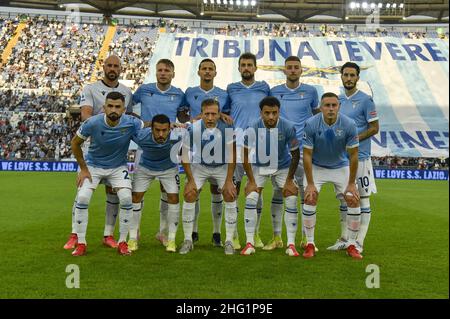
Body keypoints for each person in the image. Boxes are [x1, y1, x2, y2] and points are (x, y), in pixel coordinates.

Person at [63, 55, 133, 251]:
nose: (112, 69)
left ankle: (109, 235)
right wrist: (104, 124)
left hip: (116, 153)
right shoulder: (91, 88)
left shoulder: (127, 92)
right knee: (81, 194)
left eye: (116, 66)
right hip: (92, 147)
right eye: (109, 65)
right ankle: (75, 234)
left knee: (113, 193)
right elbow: (85, 114)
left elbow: (128, 118)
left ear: (121, 69)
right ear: (104, 67)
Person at [70, 92, 144, 256]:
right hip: (93, 166)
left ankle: (122, 242)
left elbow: (146, 130)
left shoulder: (131, 123)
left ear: (124, 109)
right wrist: (83, 169)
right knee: (82, 198)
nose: (113, 110)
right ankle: (81, 243)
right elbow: (75, 143)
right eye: (110, 106)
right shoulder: (93, 122)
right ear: (104, 107)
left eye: (118, 107)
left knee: (126, 198)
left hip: (118, 167)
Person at [132, 58, 188, 247]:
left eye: (166, 70)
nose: (163, 73)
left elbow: (183, 115)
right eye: (160, 70)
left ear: (173, 74)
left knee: (168, 192)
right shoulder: (144, 89)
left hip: (169, 146)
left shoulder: (179, 94)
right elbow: (129, 108)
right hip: (146, 145)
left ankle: (163, 232)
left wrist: (181, 123)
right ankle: (135, 231)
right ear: (156, 72)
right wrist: (142, 123)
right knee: (138, 193)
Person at [302, 92, 363, 259]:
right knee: (310, 196)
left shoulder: (349, 124)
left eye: (334, 105)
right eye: (327, 105)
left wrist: (351, 183)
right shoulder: (311, 123)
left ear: (339, 107)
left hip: (340, 166)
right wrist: (310, 183)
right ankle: (310, 243)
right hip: (317, 166)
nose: (330, 109)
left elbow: (354, 155)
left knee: (353, 198)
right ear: (321, 108)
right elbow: (306, 155)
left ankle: (351, 244)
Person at [268, 56, 319, 251]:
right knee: (279, 191)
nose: (292, 70)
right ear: (284, 70)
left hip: (303, 148)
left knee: (305, 191)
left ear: (301, 70)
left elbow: (316, 117)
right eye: (289, 68)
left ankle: (306, 238)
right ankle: (277, 237)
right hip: (280, 149)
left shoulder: (311, 91)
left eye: (296, 68)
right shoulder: (275, 92)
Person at [327, 62, 379, 253]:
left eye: (352, 75)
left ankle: (359, 242)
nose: (348, 78)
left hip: (361, 157)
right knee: (343, 199)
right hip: (341, 159)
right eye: (346, 75)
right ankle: (345, 238)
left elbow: (374, 128)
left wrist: (354, 139)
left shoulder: (366, 100)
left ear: (358, 78)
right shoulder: (338, 100)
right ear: (341, 77)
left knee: (363, 199)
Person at [240, 96, 301, 256]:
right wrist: (251, 180)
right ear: (261, 113)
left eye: (274, 113)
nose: (271, 117)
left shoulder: (288, 126)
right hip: (260, 167)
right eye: (267, 113)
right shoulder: (252, 127)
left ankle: (291, 244)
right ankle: (249, 243)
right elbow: (244, 155)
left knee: (292, 197)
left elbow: (295, 155)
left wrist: (289, 180)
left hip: (282, 167)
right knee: (251, 197)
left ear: (279, 111)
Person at [179, 98, 238, 255]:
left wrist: (229, 181)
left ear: (220, 114)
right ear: (201, 114)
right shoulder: (194, 129)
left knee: (230, 194)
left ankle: (229, 241)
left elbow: (233, 153)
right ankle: (187, 240)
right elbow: (184, 154)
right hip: (200, 166)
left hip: (222, 166)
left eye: (214, 114)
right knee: (189, 193)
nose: (210, 118)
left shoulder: (227, 126)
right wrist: (190, 180)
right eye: (207, 114)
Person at [225, 52, 270, 249]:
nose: (246, 68)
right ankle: (233, 235)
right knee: (233, 189)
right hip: (236, 144)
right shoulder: (231, 89)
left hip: (258, 145)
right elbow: (224, 112)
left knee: (257, 191)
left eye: (249, 65)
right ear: (238, 68)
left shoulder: (264, 88)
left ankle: (256, 233)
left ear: (255, 67)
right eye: (243, 65)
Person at [185, 58, 231, 247]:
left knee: (220, 192)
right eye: (204, 68)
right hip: (199, 154)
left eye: (210, 69)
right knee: (192, 192)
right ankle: (192, 234)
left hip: (220, 155)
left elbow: (227, 113)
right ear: (198, 72)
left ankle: (218, 234)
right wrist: (192, 120)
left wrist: (223, 116)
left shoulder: (223, 94)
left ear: (215, 72)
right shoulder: (189, 92)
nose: (207, 71)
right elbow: (182, 112)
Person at [128, 114, 183, 252]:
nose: (161, 134)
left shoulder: (178, 135)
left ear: (169, 129)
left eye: (164, 130)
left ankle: (170, 239)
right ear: (151, 128)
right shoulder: (141, 136)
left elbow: (194, 129)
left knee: (174, 198)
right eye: (157, 130)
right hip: (145, 168)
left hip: (168, 169)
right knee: (135, 198)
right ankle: (133, 237)